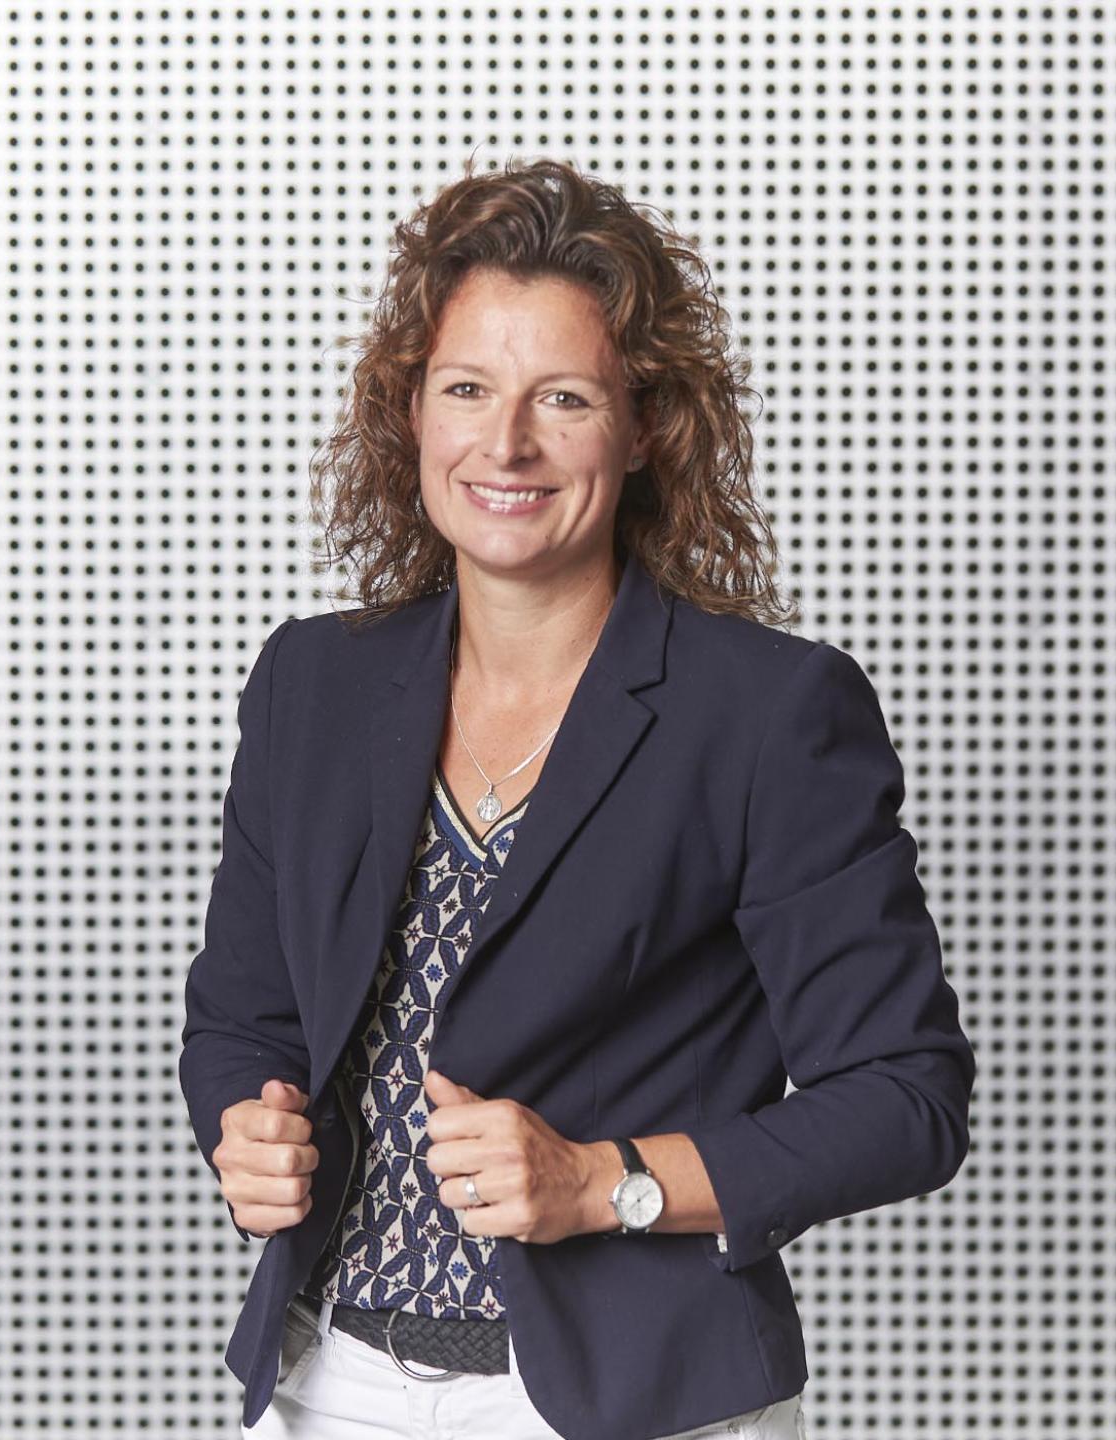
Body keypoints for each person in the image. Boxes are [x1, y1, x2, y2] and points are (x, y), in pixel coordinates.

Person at [179, 157, 976, 1440]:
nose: (506, 444)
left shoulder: (771, 714)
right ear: (412, 411)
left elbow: (905, 1097)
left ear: (644, 424)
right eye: (467, 389)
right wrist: (245, 1123)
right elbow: (240, 1015)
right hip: (328, 1380)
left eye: (563, 397)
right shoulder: (312, 685)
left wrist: (607, 1184)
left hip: (631, 1402)